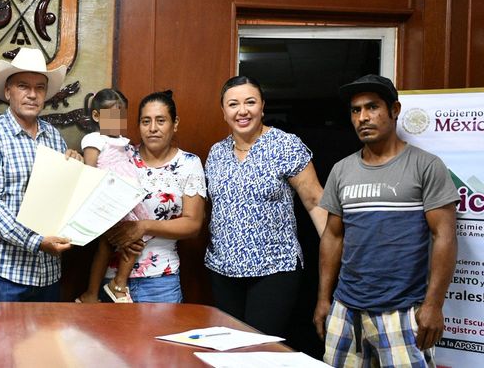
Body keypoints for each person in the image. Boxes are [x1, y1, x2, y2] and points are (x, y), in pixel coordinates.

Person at [314, 75, 458, 367]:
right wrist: (323, 299)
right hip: (346, 308)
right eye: (356, 110)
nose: (363, 117)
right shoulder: (342, 170)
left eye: (372, 107)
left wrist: (434, 305)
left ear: (394, 110)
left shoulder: (425, 165)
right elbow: (333, 237)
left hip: (403, 310)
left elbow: (444, 236)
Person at [203, 76, 327, 337]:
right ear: (223, 111)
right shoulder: (216, 153)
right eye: (233, 104)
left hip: (274, 269)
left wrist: (337, 258)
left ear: (262, 106)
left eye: (250, 102)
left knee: (258, 351)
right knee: (228, 350)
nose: (242, 111)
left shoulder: (285, 145)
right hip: (223, 269)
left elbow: (316, 202)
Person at [0, 48, 82, 302]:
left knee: (44, 344)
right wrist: (37, 241)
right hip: (3, 274)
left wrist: (74, 170)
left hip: (47, 274)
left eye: (40, 88)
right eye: (23, 86)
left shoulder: (54, 137)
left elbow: (61, 200)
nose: (32, 94)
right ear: (8, 91)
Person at [105, 90, 206, 303]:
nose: (152, 128)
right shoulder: (122, 158)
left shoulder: (189, 164)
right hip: (112, 279)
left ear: (174, 123)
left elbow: (193, 225)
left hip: (161, 281)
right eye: (145, 121)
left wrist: (143, 227)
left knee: (159, 338)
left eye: (161, 121)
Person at [76, 88, 152, 303]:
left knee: (125, 239)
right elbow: (89, 171)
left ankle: (114, 284)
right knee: (116, 242)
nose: (117, 121)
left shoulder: (124, 142)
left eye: (121, 116)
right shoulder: (94, 139)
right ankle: (110, 286)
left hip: (127, 198)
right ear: (97, 116)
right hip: (109, 197)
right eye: (111, 116)